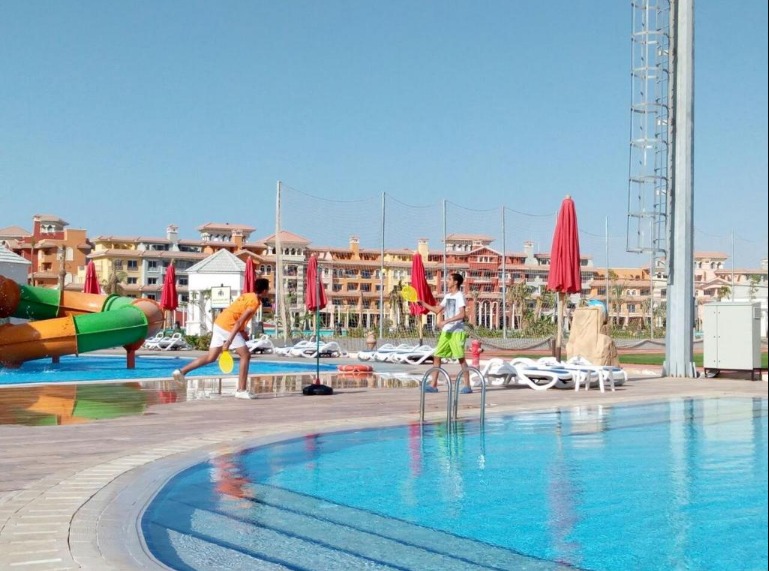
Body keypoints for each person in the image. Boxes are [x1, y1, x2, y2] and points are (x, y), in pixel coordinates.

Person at [173, 278, 270, 399]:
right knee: (245, 355)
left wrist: (241, 331)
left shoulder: (247, 295)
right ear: (264, 290)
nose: (268, 291)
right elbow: (239, 321)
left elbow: (237, 313)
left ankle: (181, 371)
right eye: (268, 289)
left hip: (219, 323)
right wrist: (229, 341)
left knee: (211, 357)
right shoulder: (254, 302)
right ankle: (241, 390)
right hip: (228, 326)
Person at [416, 272, 472, 394]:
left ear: (455, 282)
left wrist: (446, 321)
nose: (447, 281)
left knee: (460, 359)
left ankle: (467, 386)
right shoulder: (447, 296)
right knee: (437, 356)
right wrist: (423, 304)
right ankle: (433, 385)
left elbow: (462, 314)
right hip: (446, 332)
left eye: (449, 279)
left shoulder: (460, 296)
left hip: (456, 332)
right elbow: (437, 310)